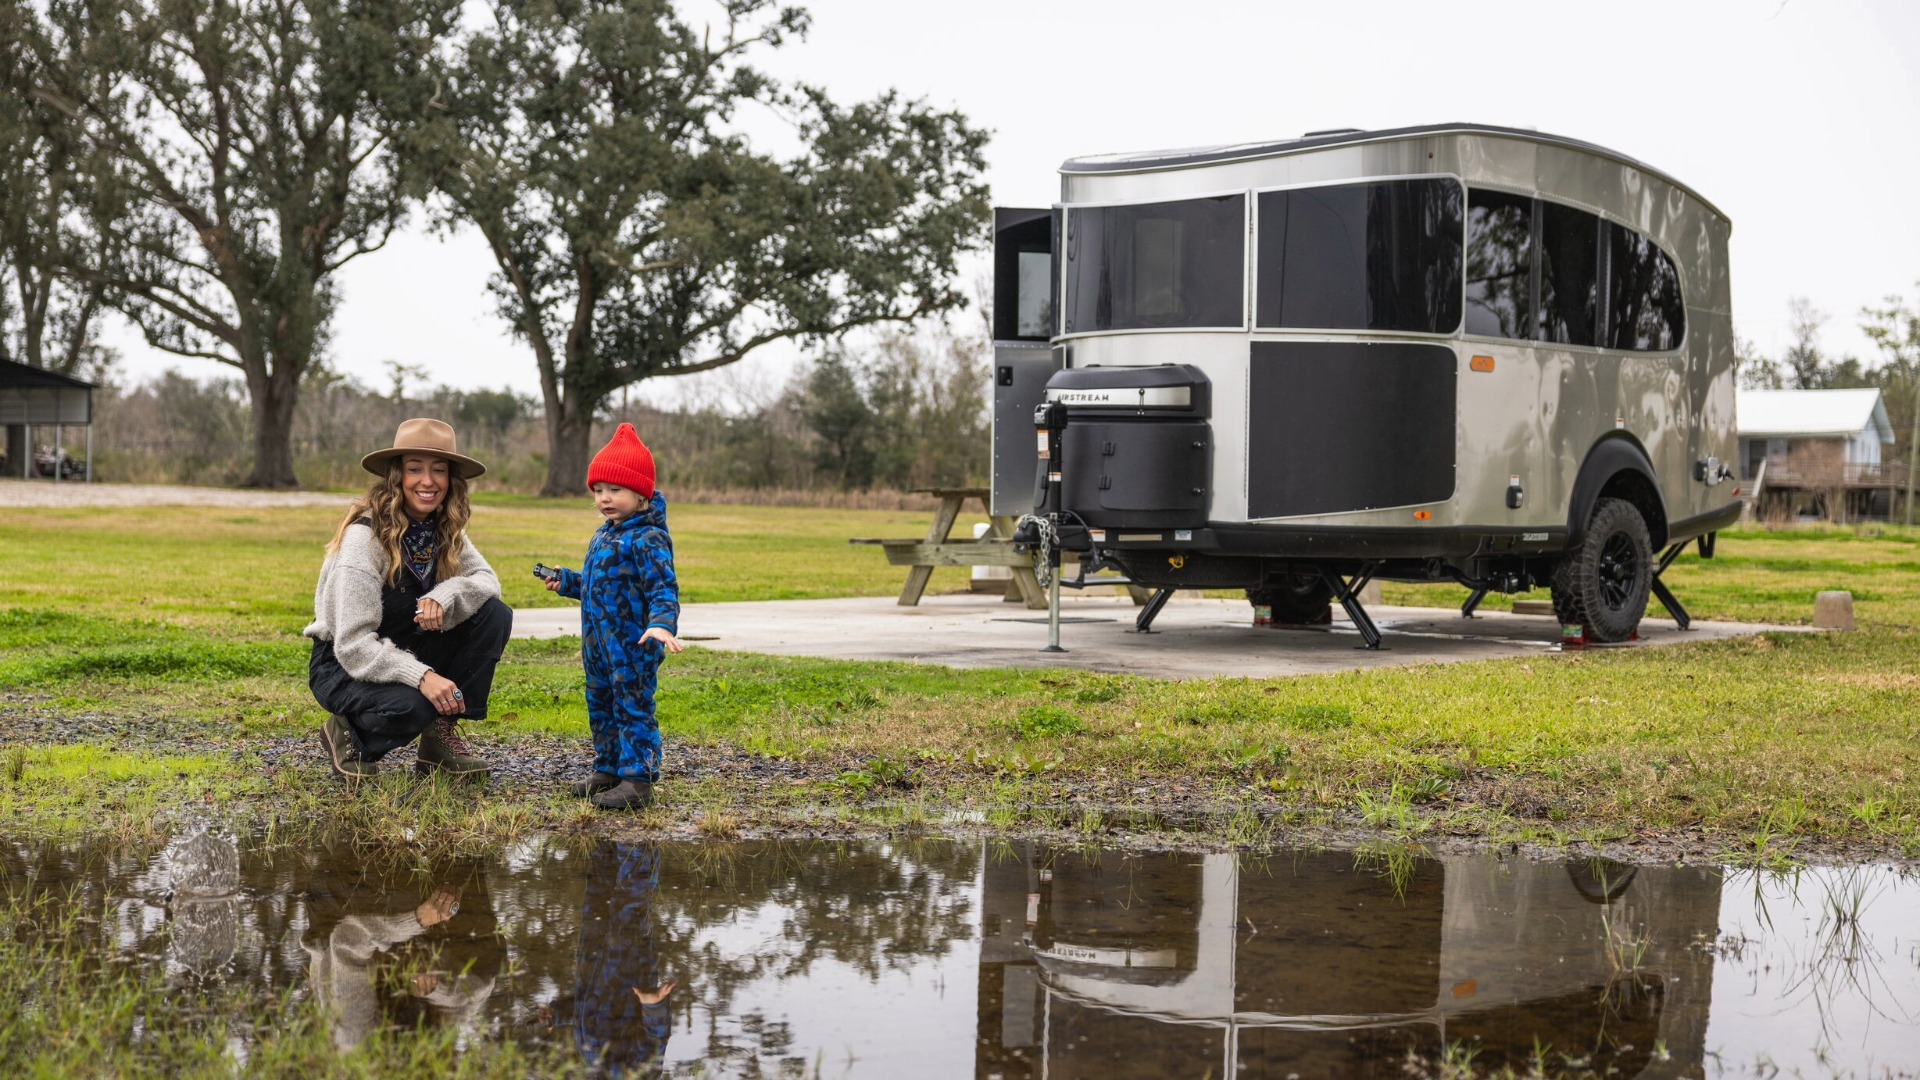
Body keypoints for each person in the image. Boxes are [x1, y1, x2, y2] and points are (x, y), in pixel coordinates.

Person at [306, 418, 513, 782]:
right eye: (415, 469)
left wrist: (445, 594)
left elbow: (486, 581)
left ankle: (438, 741)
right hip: (343, 662)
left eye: (439, 470)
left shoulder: (444, 529)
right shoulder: (364, 540)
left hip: (402, 646)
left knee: (494, 615)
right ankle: (348, 736)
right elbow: (352, 646)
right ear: (396, 476)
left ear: (452, 481)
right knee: (414, 706)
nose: (428, 481)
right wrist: (423, 677)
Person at [542, 422, 683, 810]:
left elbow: (663, 588)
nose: (604, 498)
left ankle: (638, 778)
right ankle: (608, 768)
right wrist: (568, 581)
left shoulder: (648, 537)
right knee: (600, 701)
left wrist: (661, 624)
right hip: (598, 644)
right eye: (599, 491)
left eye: (615, 490)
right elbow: (595, 583)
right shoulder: (605, 533)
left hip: (633, 644)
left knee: (631, 704)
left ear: (641, 494)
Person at [574, 839, 675, 1075]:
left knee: (599, 890)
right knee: (631, 906)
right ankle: (636, 840)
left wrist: (556, 1013)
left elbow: (582, 1008)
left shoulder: (593, 1069)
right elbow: (656, 1044)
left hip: (592, 959)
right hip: (629, 976)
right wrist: (654, 1009)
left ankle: (606, 832)